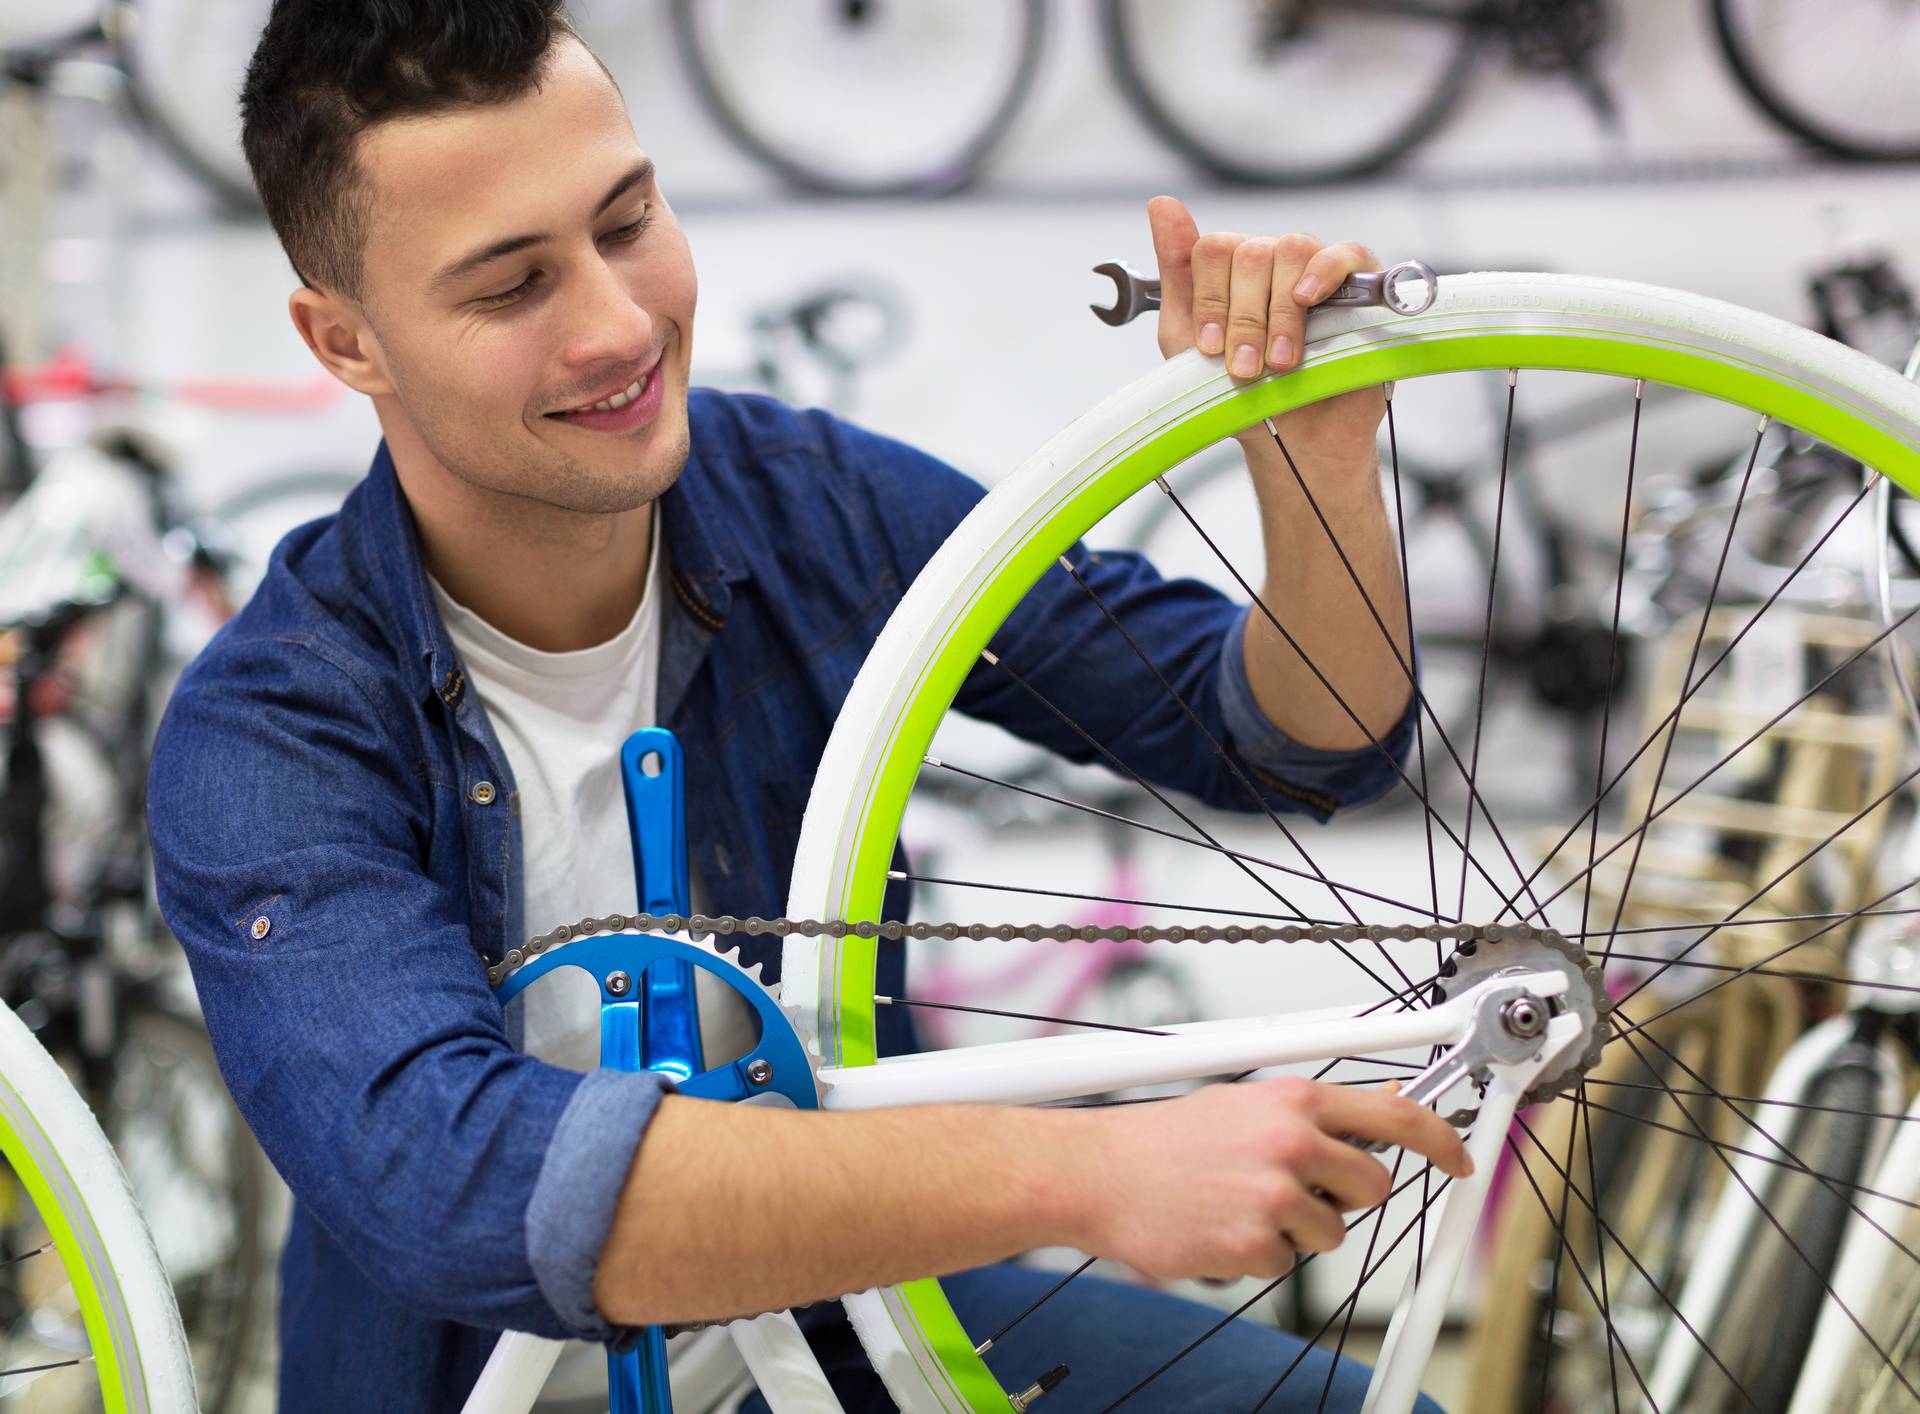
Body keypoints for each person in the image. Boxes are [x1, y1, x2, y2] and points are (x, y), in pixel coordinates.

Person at [145, 2, 1469, 1409]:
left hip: (859, 1333)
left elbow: (1298, 742)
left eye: (628, 219)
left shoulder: (808, 501)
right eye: (511, 286)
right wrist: (1084, 1169)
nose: (617, 324)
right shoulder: (270, 738)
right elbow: (460, 1179)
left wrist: (1309, 471)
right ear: (346, 341)